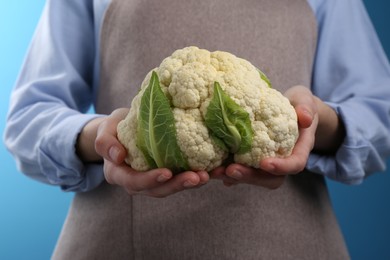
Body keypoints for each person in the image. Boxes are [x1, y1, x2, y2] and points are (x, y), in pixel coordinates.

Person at [4, 0, 390, 259]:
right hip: (117, 241)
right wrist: (101, 139)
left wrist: (317, 123)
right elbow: (26, 119)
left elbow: (380, 114)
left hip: (289, 243)